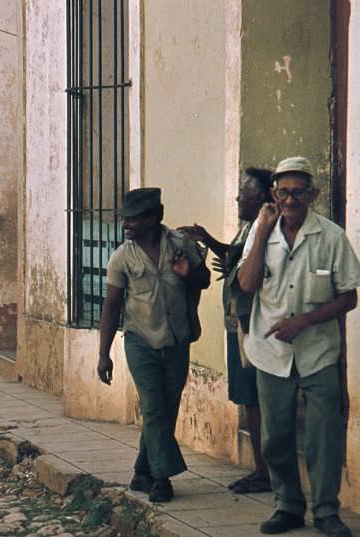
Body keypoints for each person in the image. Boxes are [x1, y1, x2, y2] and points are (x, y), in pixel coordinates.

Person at [238, 157, 360, 537]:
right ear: (273, 195)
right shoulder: (261, 232)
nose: (290, 199)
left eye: (297, 192)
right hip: (271, 354)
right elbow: (247, 285)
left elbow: (349, 298)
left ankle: (327, 511)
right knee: (275, 436)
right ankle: (288, 506)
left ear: (313, 194)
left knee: (323, 436)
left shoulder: (330, 237)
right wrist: (261, 231)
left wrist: (304, 321)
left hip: (318, 354)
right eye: (283, 192)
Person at [97, 187, 211, 502]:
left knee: (165, 409)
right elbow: (111, 306)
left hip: (177, 339)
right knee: (153, 406)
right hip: (140, 340)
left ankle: (141, 471)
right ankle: (162, 478)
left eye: (134, 219)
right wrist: (104, 354)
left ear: (154, 217)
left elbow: (204, 280)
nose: (126, 224)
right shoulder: (122, 256)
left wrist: (188, 275)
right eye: (125, 219)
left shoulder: (181, 245)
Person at [178, 168, 273, 494]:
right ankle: (262, 468)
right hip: (238, 324)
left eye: (242, 194)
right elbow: (238, 261)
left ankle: (265, 470)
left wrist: (217, 249)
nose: (237, 199)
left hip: (250, 326)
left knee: (255, 398)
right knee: (250, 398)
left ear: (259, 197)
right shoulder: (249, 227)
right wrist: (212, 243)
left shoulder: (262, 228)